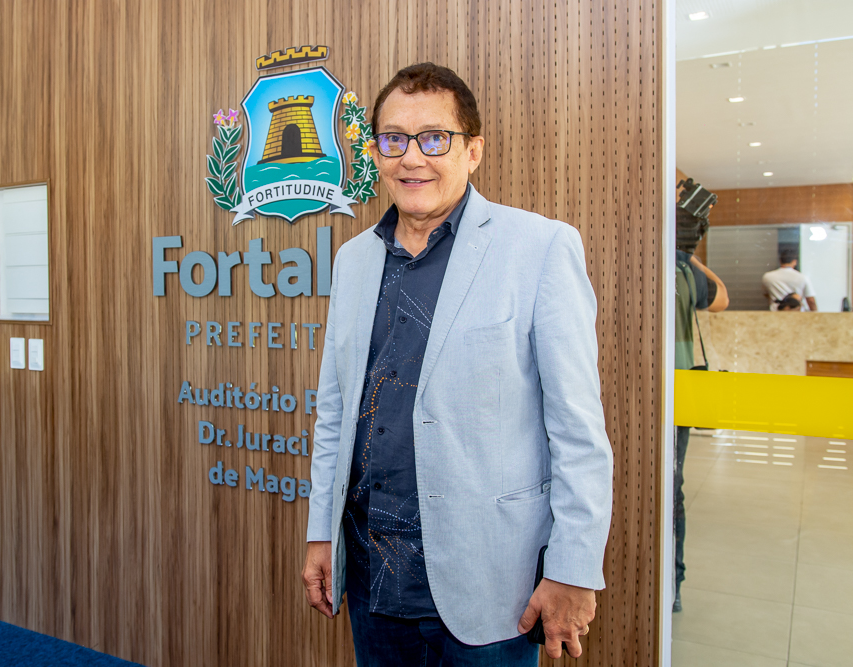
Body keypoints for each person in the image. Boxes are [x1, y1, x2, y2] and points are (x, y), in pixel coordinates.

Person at [303, 63, 613, 666]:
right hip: (371, 579)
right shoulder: (354, 260)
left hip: (492, 587)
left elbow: (577, 430)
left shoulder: (540, 248)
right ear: (376, 152)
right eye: (393, 139)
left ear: (473, 151)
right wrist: (322, 532)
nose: (411, 157)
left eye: (434, 138)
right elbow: (335, 413)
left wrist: (575, 568)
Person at [672, 208, 729, 614]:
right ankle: (673, 583)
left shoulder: (659, 265)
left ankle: (669, 581)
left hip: (663, 396)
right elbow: (721, 297)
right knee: (672, 489)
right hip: (680, 396)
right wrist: (691, 256)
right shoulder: (684, 270)